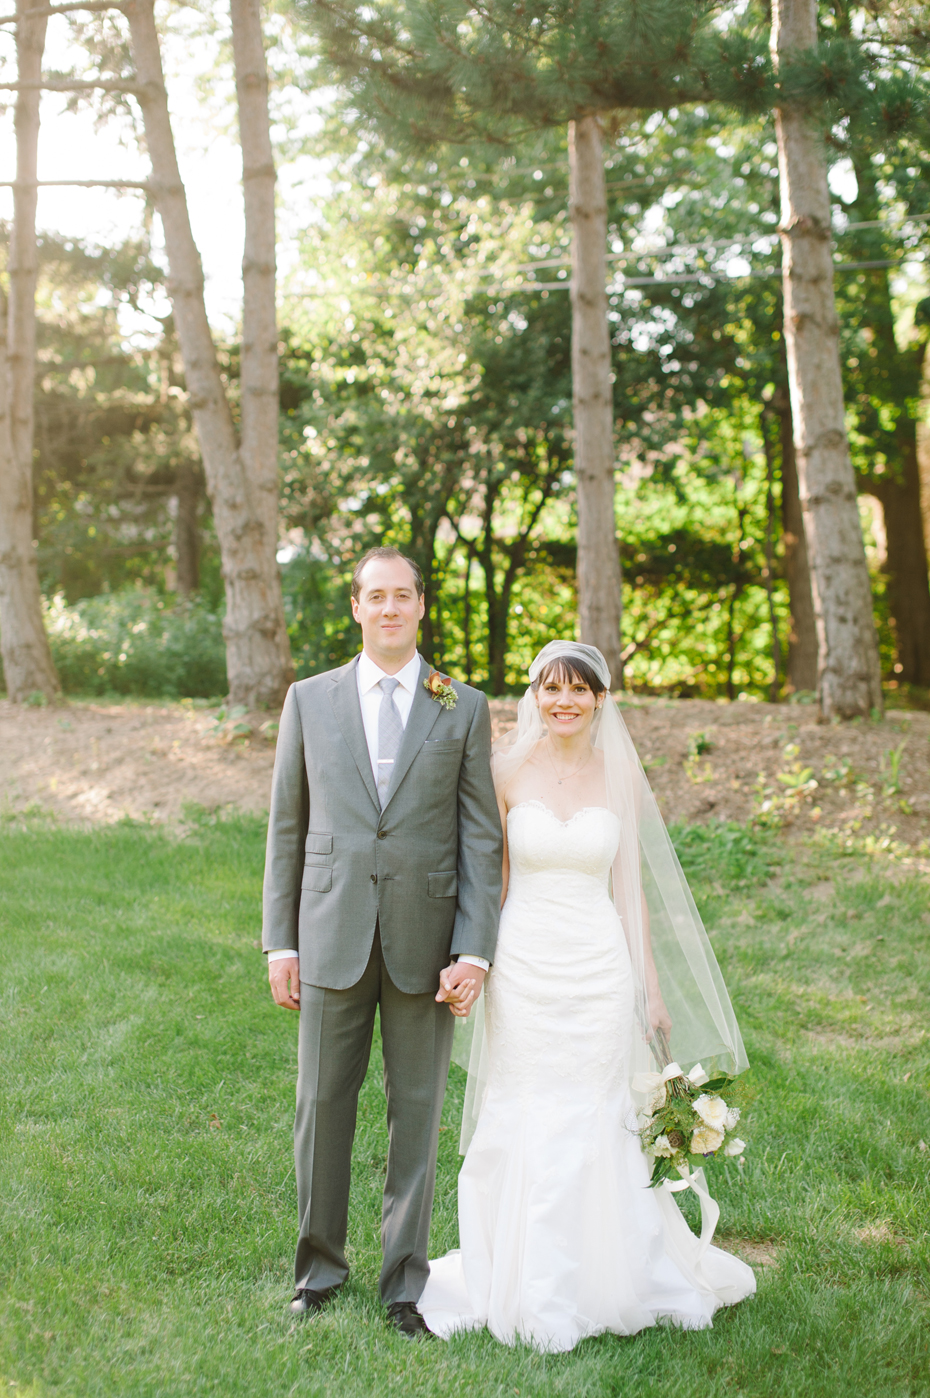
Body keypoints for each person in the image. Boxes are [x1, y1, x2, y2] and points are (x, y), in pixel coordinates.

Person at [420, 641, 756, 1352]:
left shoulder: (620, 778)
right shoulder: (505, 770)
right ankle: (517, 1271)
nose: (564, 700)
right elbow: (494, 879)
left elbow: (628, 890)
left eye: (578, 689)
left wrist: (651, 992)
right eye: (551, 688)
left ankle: (609, 1273)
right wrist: (473, 963)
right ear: (535, 696)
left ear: (601, 698)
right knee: (527, 1102)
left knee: (597, 1110)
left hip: (599, 964)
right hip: (525, 963)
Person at [261, 547, 502, 1338]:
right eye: (377, 596)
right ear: (356, 607)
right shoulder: (310, 699)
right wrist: (279, 942)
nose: (391, 608)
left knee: (418, 1111)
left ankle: (405, 1284)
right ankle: (318, 1270)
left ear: (421, 606)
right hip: (328, 935)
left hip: (424, 942)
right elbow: (287, 827)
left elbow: (479, 837)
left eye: (404, 596)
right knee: (322, 1106)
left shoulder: (460, 705)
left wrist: (473, 948)